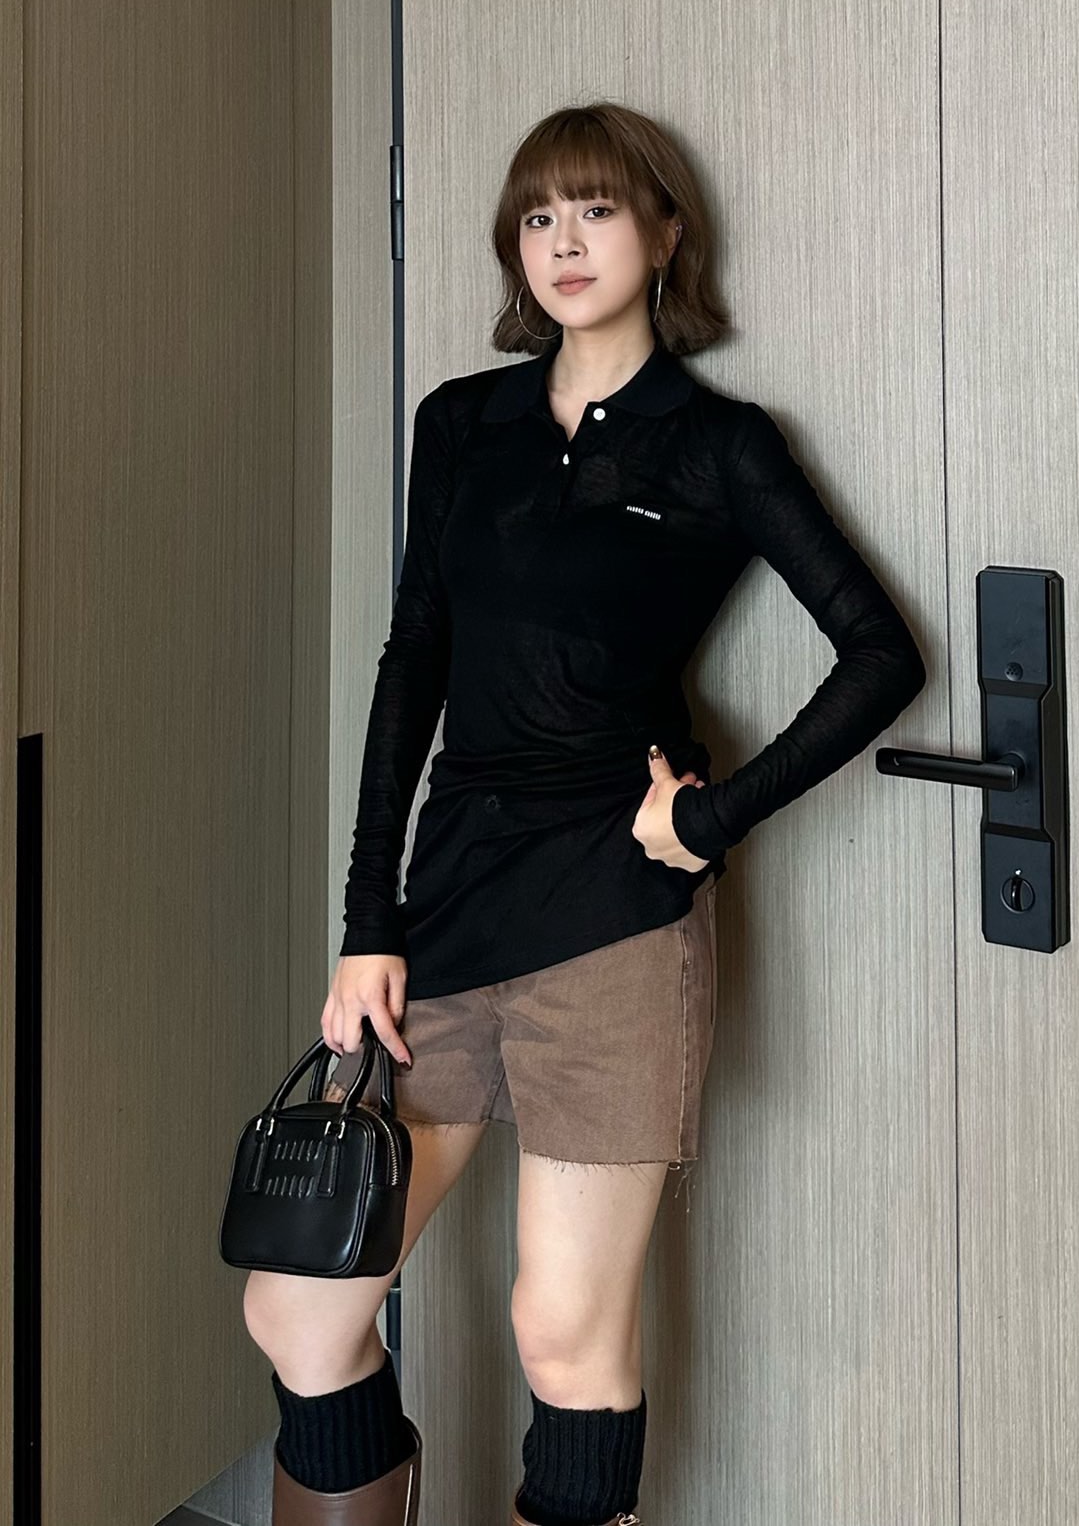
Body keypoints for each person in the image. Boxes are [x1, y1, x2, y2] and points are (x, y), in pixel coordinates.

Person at [241, 100, 928, 1525]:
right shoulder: (463, 423)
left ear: (665, 235)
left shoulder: (718, 444)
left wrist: (714, 819)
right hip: (447, 909)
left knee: (564, 1334)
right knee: (300, 1304)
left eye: (598, 210)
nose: (563, 241)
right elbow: (413, 661)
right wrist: (367, 921)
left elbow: (881, 654)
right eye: (539, 216)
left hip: (616, 923)